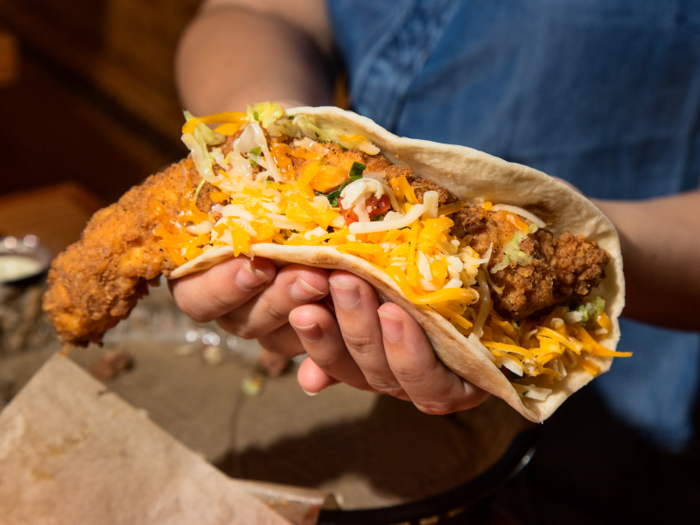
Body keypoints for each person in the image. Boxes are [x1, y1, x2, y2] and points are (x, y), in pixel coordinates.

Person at [174, 0, 700, 451]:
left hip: (629, 439)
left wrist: (588, 241)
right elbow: (259, 11)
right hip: (364, 416)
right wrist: (275, 138)